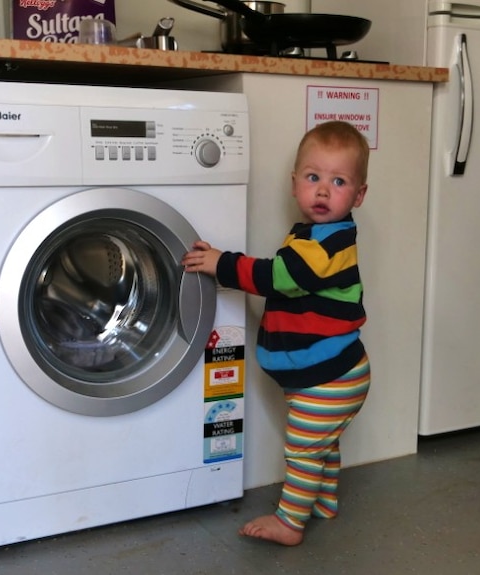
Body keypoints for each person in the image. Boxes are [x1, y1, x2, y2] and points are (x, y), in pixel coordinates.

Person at [181, 120, 371, 546]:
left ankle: (290, 522)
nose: (322, 191)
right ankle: (323, 503)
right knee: (322, 441)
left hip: (328, 379)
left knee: (303, 450)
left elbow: (277, 277)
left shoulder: (327, 245)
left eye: (338, 181)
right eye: (313, 177)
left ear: (358, 195)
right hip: (333, 372)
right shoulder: (315, 234)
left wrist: (221, 263)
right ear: (294, 184)